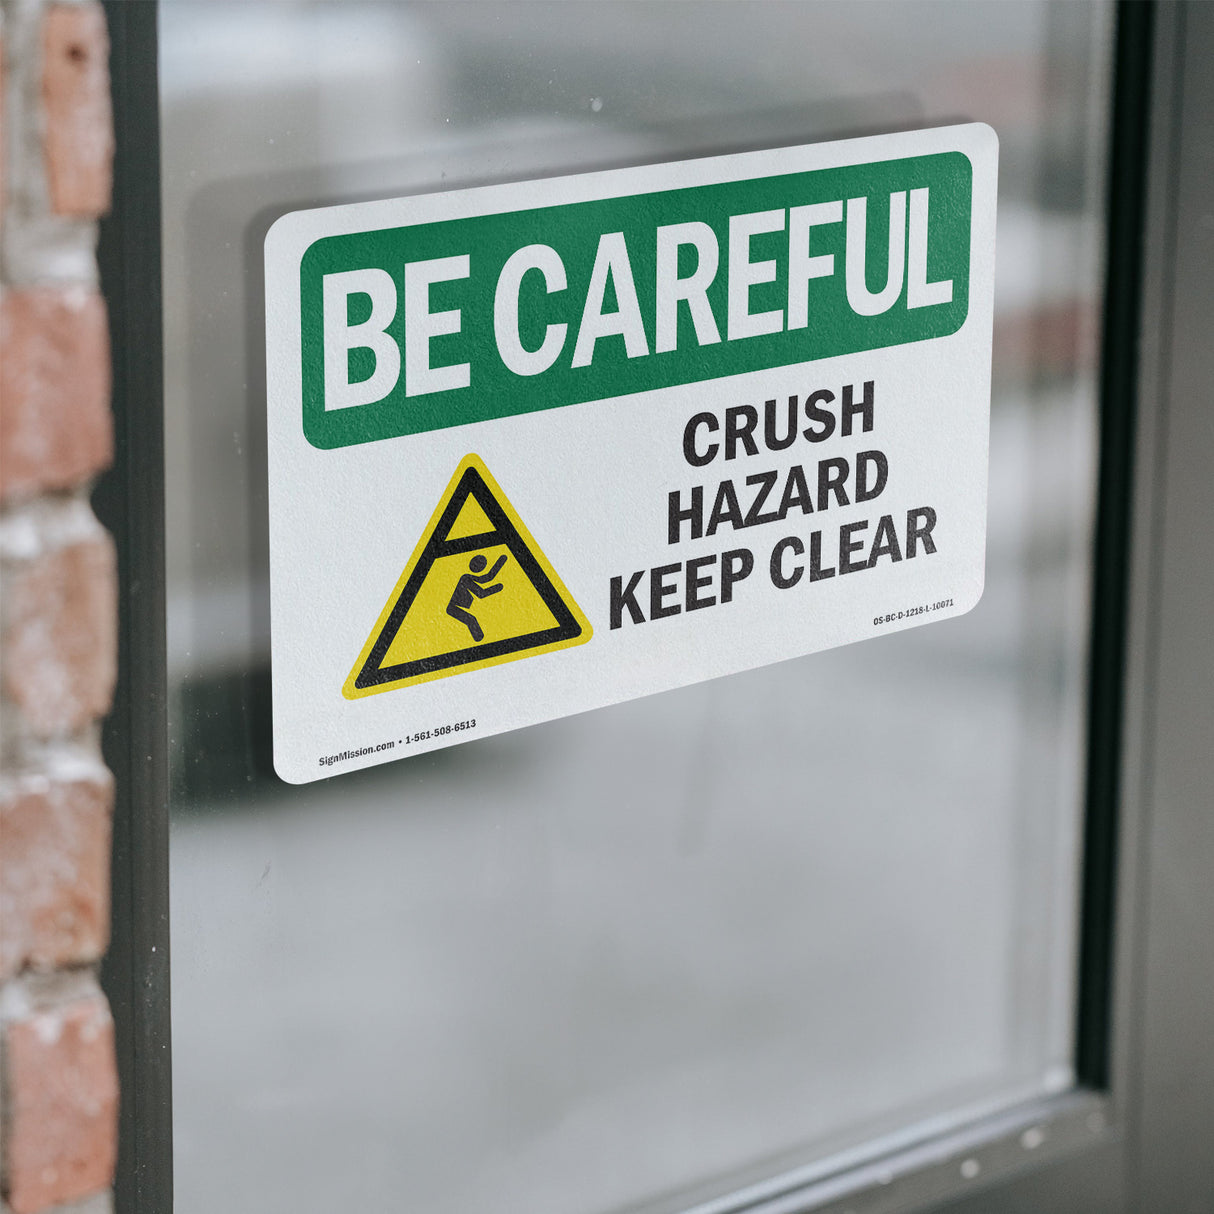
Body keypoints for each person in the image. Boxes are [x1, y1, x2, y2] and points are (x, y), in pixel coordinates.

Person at [446, 553, 507, 642]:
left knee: (471, 620)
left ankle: (481, 642)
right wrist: (497, 588)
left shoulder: (466, 577)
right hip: (453, 608)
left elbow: (486, 578)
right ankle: (481, 642)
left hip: (454, 607)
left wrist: (501, 561)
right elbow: (481, 593)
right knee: (471, 620)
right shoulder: (465, 579)